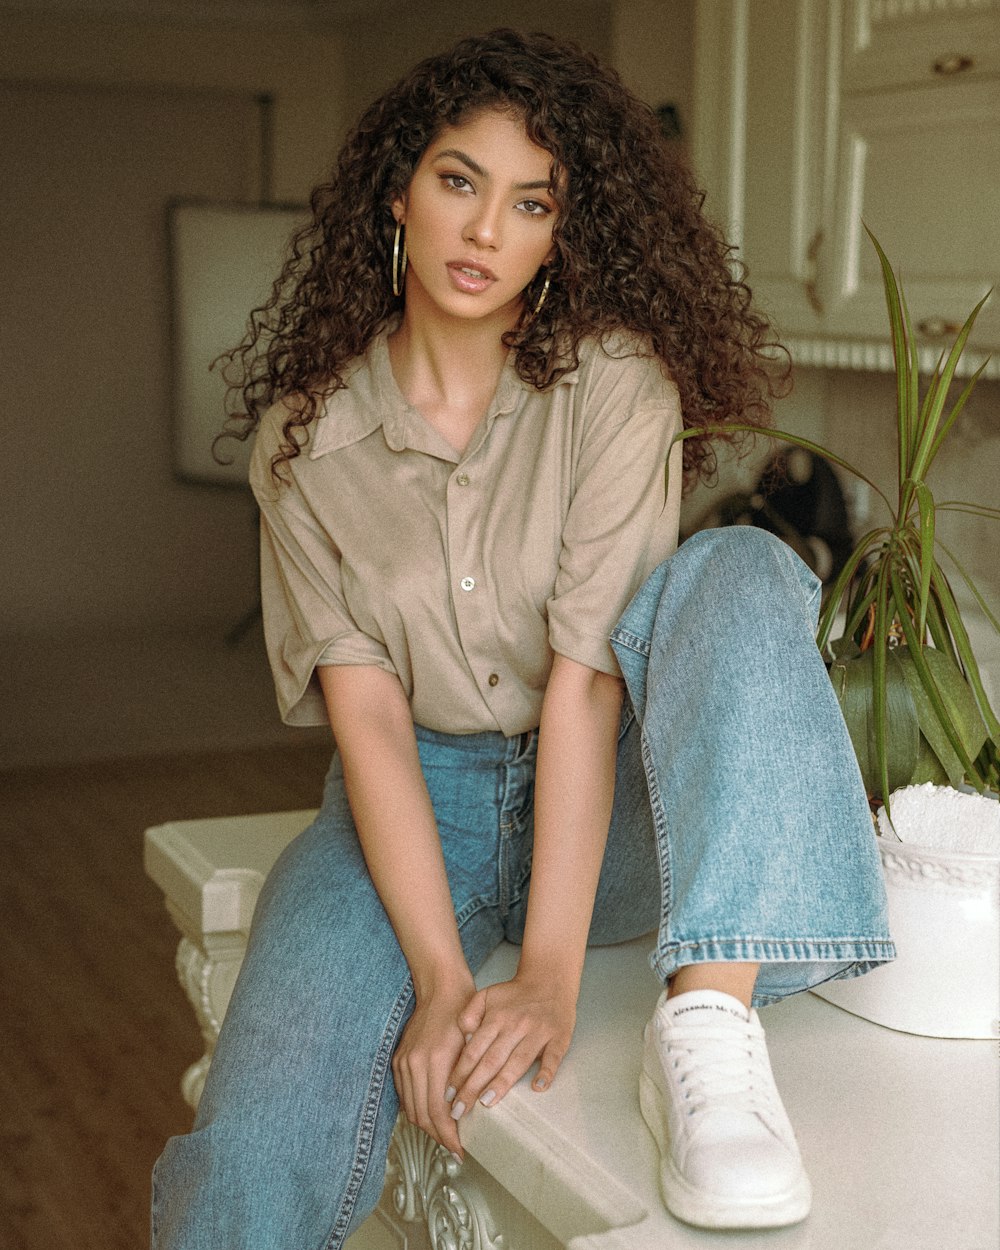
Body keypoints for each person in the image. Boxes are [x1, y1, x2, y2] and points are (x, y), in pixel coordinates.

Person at [151, 28, 893, 1246]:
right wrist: (444, 981)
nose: (485, 230)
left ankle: (707, 1023)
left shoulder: (616, 387)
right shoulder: (305, 440)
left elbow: (588, 690)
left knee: (744, 564)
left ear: (564, 230)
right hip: (410, 806)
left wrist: (546, 971)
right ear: (398, 190)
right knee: (245, 1149)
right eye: (458, 180)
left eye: (529, 200)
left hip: (607, 809)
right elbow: (370, 712)